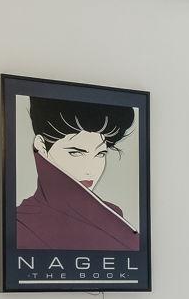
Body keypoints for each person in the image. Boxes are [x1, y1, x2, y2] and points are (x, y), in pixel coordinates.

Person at [13, 95, 141, 251]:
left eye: (100, 154)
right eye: (75, 153)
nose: (90, 169)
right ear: (41, 146)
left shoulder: (113, 215)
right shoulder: (20, 223)